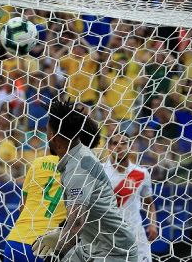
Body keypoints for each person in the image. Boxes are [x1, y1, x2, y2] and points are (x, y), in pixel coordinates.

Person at [32, 97, 137, 261]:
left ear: (53, 135)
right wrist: (61, 232)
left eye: (47, 131)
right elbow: (85, 211)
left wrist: (56, 255)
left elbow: (77, 223)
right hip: (90, 247)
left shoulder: (79, 167)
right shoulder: (75, 159)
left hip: (114, 252)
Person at [4, 113, 101, 262]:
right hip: (45, 247)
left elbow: (22, 207)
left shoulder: (37, 164)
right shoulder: (80, 169)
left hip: (15, 242)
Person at [103, 132, 159, 262]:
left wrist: (153, 224)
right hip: (109, 235)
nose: (119, 146)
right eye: (115, 143)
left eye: (124, 143)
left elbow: (149, 203)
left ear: (130, 147)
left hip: (135, 234)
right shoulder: (101, 172)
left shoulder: (141, 174)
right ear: (109, 147)